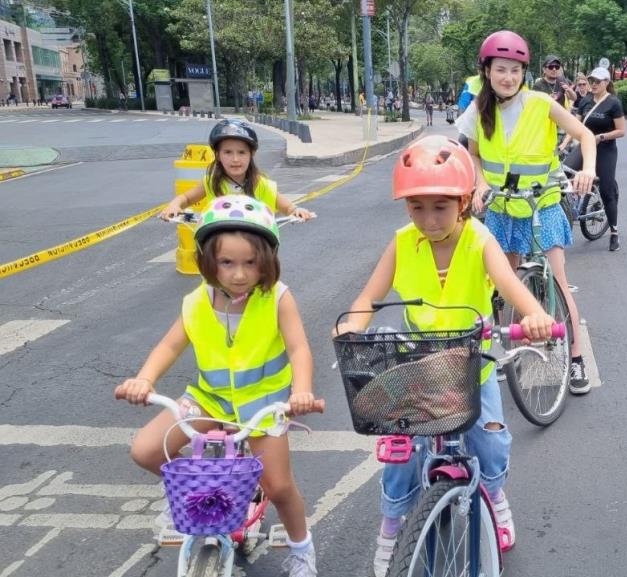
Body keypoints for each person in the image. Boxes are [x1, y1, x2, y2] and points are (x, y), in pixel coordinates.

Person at [332, 136, 557, 577]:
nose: (428, 218)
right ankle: (393, 522)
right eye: (417, 207)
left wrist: (534, 315)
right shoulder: (401, 243)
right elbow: (367, 299)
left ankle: (494, 494)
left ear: (465, 200)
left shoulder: (480, 240)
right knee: (401, 448)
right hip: (417, 362)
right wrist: (349, 325)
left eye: (440, 206)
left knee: (490, 437)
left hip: (471, 358)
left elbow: (512, 287)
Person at [115, 197, 321, 577]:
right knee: (145, 451)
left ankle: (301, 547)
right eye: (227, 262)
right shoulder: (195, 302)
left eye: (250, 262)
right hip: (209, 400)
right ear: (209, 261)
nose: (239, 274)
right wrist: (145, 379)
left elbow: (299, 348)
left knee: (278, 486)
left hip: (263, 404)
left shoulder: (277, 298)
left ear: (267, 261)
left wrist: (301, 392)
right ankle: (195, 491)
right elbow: (169, 345)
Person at [456, 30, 598, 394]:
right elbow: (472, 154)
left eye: (515, 70)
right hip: (503, 209)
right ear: (487, 71)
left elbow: (585, 136)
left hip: (543, 204)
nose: (508, 77)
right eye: (501, 69)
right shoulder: (478, 109)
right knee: (509, 284)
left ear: (524, 72)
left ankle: (576, 358)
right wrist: (481, 183)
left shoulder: (540, 102)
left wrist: (587, 170)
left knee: (559, 283)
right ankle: (514, 350)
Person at [160, 120, 315, 222]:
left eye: (241, 152)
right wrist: (174, 205)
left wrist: (296, 211)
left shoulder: (262, 184)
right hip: (220, 251)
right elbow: (186, 198)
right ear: (217, 155)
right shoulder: (211, 182)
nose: (235, 159)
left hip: (255, 253)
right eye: (228, 152)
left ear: (251, 154)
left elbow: (287, 207)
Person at [561, 67, 626, 252]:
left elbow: (621, 131)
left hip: (605, 149)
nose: (594, 84)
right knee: (562, 175)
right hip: (584, 147)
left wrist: (601, 137)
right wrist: (564, 144)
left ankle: (614, 231)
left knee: (606, 189)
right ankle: (571, 207)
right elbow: (576, 126)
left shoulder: (613, 103)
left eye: (598, 81)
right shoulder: (586, 101)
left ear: (607, 82)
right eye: (592, 81)